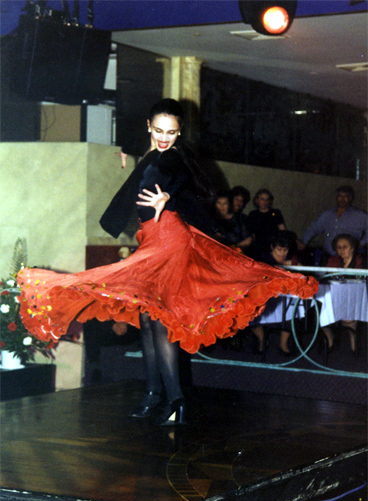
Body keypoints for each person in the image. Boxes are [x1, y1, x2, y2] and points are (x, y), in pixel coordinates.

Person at [17, 99, 318, 427]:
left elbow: (175, 174)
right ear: (148, 127)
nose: (164, 137)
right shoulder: (152, 153)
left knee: (158, 321)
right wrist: (129, 152)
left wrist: (167, 197)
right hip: (153, 239)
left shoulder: (172, 157)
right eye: (158, 130)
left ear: (180, 132)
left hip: (168, 240)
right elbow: (148, 150)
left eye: (172, 132)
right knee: (148, 320)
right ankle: (153, 394)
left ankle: (175, 400)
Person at [251, 232, 301, 356]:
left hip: (284, 296)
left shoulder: (291, 259)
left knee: (291, 310)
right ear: (272, 247)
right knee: (249, 312)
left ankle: (283, 344)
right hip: (265, 295)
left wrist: (294, 266)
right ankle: (262, 339)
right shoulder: (263, 259)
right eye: (279, 250)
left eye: (285, 250)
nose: (282, 253)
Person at [321, 233, 366, 354]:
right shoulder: (332, 261)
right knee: (321, 315)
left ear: (352, 248)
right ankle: (330, 339)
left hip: (355, 297)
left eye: (345, 246)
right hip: (335, 296)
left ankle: (353, 342)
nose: (341, 250)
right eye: (338, 247)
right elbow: (325, 279)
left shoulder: (362, 262)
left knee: (350, 317)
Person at [302, 185, 367, 261]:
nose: (342, 199)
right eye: (340, 196)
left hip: (350, 258)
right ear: (336, 197)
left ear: (350, 198)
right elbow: (313, 229)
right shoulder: (327, 215)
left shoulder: (359, 215)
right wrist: (303, 243)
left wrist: (361, 243)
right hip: (329, 257)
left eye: (345, 196)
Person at [247, 189, 286, 259]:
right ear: (257, 200)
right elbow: (252, 234)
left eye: (267, 199)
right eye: (262, 199)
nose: (264, 202)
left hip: (273, 247)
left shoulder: (276, 213)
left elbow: (282, 230)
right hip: (258, 248)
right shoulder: (253, 215)